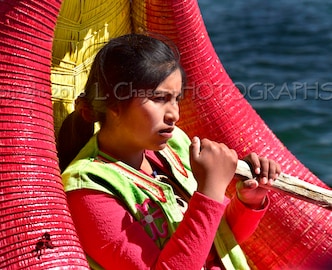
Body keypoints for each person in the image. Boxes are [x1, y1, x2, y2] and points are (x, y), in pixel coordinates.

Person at [59, 33, 281, 270]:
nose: (174, 114)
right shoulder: (88, 190)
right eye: (158, 98)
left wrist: (248, 201)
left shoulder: (172, 147)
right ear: (114, 103)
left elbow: (217, 239)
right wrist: (210, 190)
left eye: (175, 99)